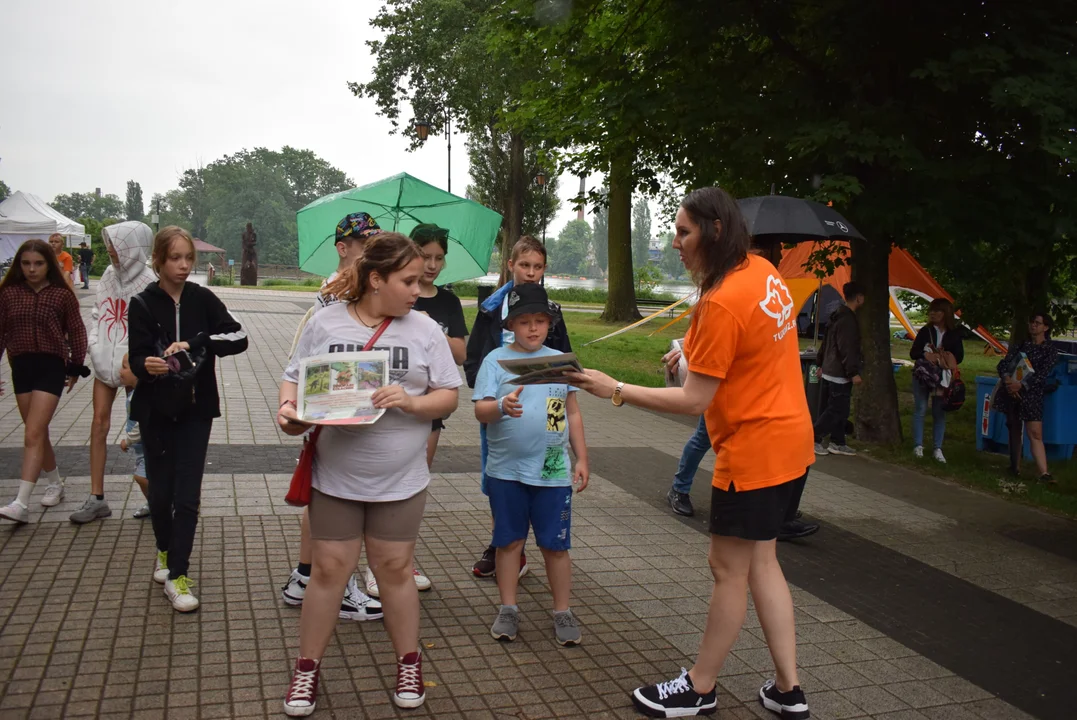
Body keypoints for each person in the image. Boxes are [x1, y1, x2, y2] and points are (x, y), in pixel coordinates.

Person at [568, 187, 813, 719]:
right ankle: (788, 689)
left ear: (714, 232)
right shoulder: (761, 270)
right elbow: (746, 352)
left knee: (728, 569)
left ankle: (699, 688)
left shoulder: (720, 300)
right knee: (763, 561)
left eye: (683, 232)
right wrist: (691, 350)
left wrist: (615, 388)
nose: (674, 242)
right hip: (792, 443)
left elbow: (695, 399)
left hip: (751, 451)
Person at [277, 233, 461, 715]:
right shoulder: (325, 320)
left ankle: (408, 662)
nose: (417, 291)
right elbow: (294, 374)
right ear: (376, 279)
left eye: (419, 280)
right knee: (329, 572)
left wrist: (413, 402)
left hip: (400, 482)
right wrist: (288, 408)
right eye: (407, 281)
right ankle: (306, 670)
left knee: (395, 570)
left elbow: (448, 394)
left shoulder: (424, 330)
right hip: (335, 478)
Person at [280, 212, 397, 619]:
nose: (372, 252)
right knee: (339, 500)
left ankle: (304, 575)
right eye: (365, 245)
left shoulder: (344, 287)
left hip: (344, 405)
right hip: (338, 409)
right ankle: (341, 586)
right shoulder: (337, 291)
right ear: (343, 247)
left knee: (323, 495)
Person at [128, 226, 248, 612]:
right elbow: (134, 360)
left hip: (198, 408)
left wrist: (198, 342)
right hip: (156, 410)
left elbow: (239, 337)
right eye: (175, 258)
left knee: (188, 496)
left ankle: (178, 574)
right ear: (159, 261)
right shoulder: (143, 303)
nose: (183, 266)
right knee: (160, 495)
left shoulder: (203, 299)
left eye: (188, 258)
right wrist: (146, 366)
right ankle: (164, 551)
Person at [475, 283, 590, 646]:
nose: (533, 328)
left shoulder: (560, 361)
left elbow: (570, 412)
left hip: (553, 472)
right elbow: (480, 409)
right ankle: (508, 608)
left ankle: (562, 610)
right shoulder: (495, 361)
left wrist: (582, 457)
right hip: (506, 471)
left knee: (556, 545)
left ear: (549, 323)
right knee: (508, 542)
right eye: (525, 321)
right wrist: (500, 407)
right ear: (511, 324)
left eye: (540, 320)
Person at [360, 222, 467, 601]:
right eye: (426, 257)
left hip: (423, 408)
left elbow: (461, 353)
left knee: (411, 482)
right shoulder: (390, 294)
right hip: (373, 409)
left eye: (439, 258)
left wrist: (434, 334)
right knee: (367, 488)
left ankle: (399, 559)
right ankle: (374, 566)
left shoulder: (446, 302)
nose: (432, 265)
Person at [465, 236, 573, 578]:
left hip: (547, 411)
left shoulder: (549, 309)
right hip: (499, 405)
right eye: (524, 265)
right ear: (510, 265)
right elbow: (475, 354)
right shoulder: (491, 307)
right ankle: (504, 544)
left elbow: (566, 362)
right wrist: (487, 386)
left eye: (537, 267)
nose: (530, 272)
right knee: (498, 478)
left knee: (547, 479)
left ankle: (537, 544)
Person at [0, 239, 89, 524]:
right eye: (26, 263)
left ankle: (21, 502)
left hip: (52, 367)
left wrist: (75, 366)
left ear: (48, 264)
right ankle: (55, 482)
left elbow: (77, 330)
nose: (32, 269)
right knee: (35, 432)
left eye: (38, 263)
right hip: (21, 366)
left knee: (33, 433)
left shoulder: (61, 295)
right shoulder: (9, 293)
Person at [73, 221, 156, 524]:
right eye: (109, 245)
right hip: (103, 360)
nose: (111, 251)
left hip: (133, 366)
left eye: (117, 246)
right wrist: (96, 346)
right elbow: (98, 312)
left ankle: (153, 494)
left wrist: (137, 364)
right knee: (99, 424)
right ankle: (96, 497)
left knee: (141, 428)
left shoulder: (149, 280)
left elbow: (151, 326)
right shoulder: (108, 275)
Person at [994, 312, 1059, 484]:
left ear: (1046, 327)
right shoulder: (1020, 345)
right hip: (1012, 392)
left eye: (1037, 323)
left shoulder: (1050, 350)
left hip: (1032, 394)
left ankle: (1044, 473)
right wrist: (1008, 380)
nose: (1033, 325)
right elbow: (1003, 364)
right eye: (1031, 322)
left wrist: (1022, 386)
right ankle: (1014, 466)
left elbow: (1042, 375)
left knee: (1035, 432)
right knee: (1014, 428)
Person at [812, 281, 865, 456]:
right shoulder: (848, 319)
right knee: (837, 409)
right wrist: (853, 372)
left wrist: (820, 363)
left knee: (835, 408)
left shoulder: (836, 315)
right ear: (859, 298)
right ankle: (814, 437)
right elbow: (847, 348)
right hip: (839, 372)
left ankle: (837, 440)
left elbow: (826, 342)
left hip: (829, 368)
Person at [909, 298, 963, 463]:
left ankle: (937, 448)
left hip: (942, 377)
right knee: (921, 408)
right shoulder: (926, 331)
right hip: (924, 374)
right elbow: (914, 352)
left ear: (945, 313)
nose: (933, 313)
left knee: (939, 412)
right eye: (931, 310)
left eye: (937, 311)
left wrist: (944, 356)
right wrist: (926, 354)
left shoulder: (953, 334)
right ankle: (918, 445)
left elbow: (959, 356)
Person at [118, 353, 151, 518]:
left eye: (124, 367)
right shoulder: (133, 395)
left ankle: (163, 502)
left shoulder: (141, 397)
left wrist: (128, 440)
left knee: (141, 477)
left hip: (147, 446)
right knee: (143, 477)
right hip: (140, 449)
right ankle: (155, 503)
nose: (120, 371)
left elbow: (141, 424)